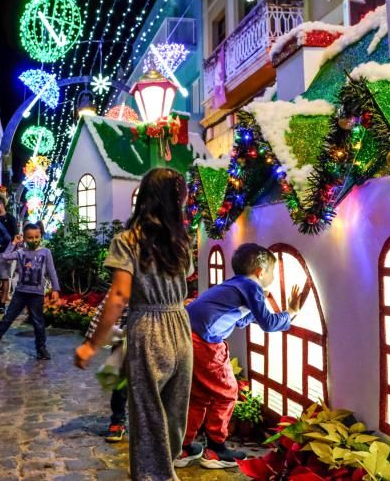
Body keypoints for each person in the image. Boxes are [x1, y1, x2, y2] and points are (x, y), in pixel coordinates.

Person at [74, 168, 196, 481]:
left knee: (147, 417)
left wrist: (91, 345)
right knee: (173, 414)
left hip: (148, 328)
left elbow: (118, 296)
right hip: (181, 328)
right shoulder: (182, 242)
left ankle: (153, 476)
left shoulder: (127, 240)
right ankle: (167, 471)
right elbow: (189, 280)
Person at [175, 244, 301, 470]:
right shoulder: (250, 286)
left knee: (200, 395)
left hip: (187, 337)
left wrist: (259, 306)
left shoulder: (234, 284)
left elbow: (239, 319)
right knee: (226, 392)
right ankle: (216, 449)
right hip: (205, 343)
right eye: (273, 271)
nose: (273, 276)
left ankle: (183, 447)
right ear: (261, 272)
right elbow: (269, 324)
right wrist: (290, 312)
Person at [0, 224, 59, 360]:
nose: (34, 240)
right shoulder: (20, 252)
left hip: (37, 294)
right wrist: (13, 243)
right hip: (20, 293)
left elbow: (51, 271)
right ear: (24, 238)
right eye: (30, 237)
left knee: (38, 322)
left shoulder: (46, 252)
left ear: (41, 236)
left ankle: (41, 348)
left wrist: (56, 288)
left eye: (37, 237)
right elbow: (5, 257)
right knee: (7, 318)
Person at [85, 302, 129, 443]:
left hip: (151, 336)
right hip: (123, 338)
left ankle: (149, 423)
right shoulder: (129, 281)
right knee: (120, 383)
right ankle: (117, 420)